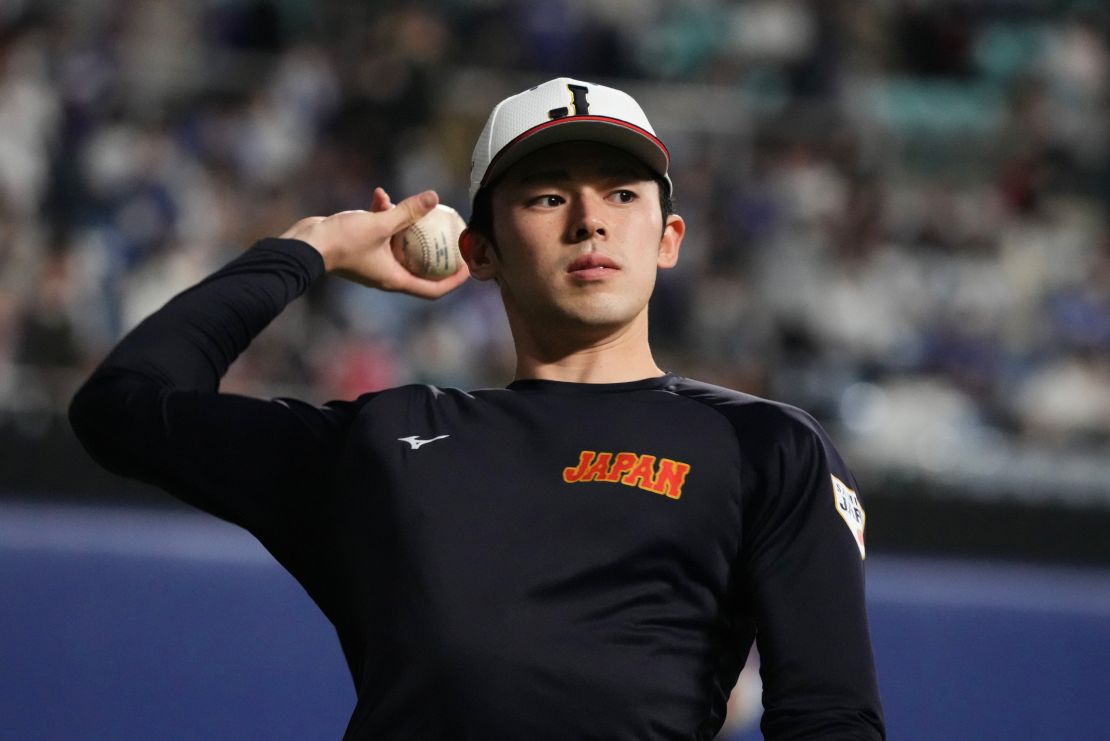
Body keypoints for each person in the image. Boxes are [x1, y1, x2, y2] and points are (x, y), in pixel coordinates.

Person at [69, 77, 884, 740]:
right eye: (545, 197)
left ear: (668, 238)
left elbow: (831, 718)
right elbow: (126, 407)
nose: (591, 218)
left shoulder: (764, 447)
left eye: (622, 193)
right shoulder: (386, 440)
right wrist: (307, 248)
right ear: (478, 250)